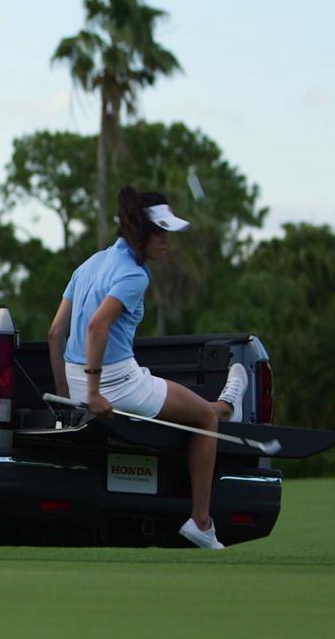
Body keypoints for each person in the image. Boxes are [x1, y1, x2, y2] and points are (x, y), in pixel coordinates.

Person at [47, 186, 247, 549]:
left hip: (83, 381)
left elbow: (55, 332)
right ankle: (201, 522)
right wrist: (93, 393)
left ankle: (226, 406)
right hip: (117, 384)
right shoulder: (135, 275)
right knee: (206, 419)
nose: (166, 242)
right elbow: (97, 326)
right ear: (142, 232)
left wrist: (68, 396)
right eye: (161, 233)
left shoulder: (91, 263)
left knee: (196, 409)